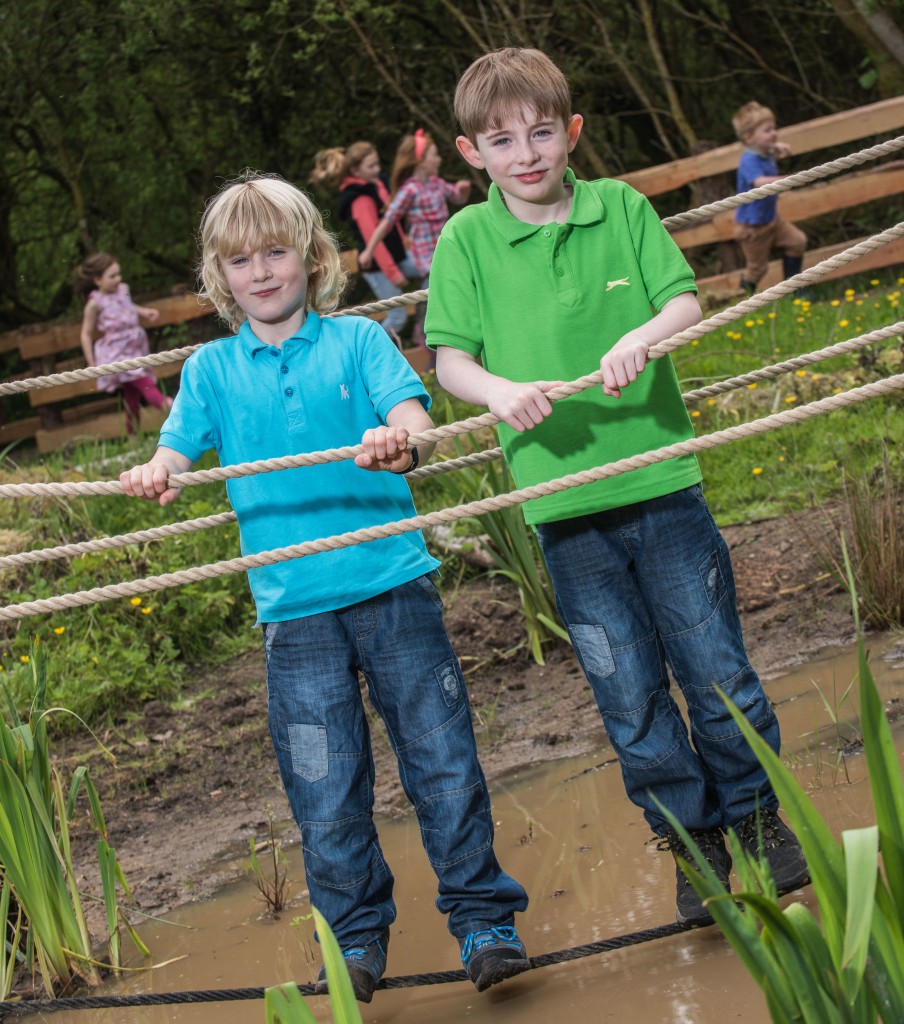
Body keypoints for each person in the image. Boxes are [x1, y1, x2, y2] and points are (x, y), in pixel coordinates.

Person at [119, 172, 529, 1000]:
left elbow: (416, 423)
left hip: (393, 588)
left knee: (443, 764)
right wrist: (158, 471)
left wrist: (398, 440)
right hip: (294, 616)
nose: (261, 272)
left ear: (311, 259)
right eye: (240, 261)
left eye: (276, 252)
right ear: (219, 278)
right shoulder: (209, 370)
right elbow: (177, 449)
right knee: (325, 791)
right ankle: (355, 944)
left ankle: (484, 921)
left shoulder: (360, 342)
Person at [426, 48, 809, 928]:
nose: (526, 153)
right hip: (565, 512)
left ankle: (758, 820)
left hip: (663, 485)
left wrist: (644, 333)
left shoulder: (622, 208)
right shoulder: (466, 241)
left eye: (542, 133)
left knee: (717, 671)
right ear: (471, 153)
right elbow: (450, 360)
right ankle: (694, 844)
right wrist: (498, 392)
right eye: (502, 140)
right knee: (629, 697)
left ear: (572, 133)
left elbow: (685, 305)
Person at [357, 130, 471, 357]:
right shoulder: (410, 189)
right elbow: (388, 220)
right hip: (425, 257)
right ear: (421, 160)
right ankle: (424, 335)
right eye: (434, 155)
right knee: (434, 297)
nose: (439, 159)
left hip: (445, 251)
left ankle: (430, 332)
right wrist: (369, 251)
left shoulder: (437, 184)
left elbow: (457, 198)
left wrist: (462, 190)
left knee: (453, 292)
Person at [309, 142, 419, 347]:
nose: (377, 170)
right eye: (371, 166)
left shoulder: (376, 185)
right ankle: (365, 350)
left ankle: (423, 327)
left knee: (430, 267)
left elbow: (391, 219)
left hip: (398, 257)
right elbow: (373, 241)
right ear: (355, 170)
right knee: (398, 318)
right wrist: (393, 273)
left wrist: (405, 241)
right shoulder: (360, 199)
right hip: (380, 268)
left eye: (378, 164)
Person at [75, 253, 172, 434]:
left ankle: (133, 437)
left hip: (134, 347)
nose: (118, 279)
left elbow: (128, 305)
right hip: (116, 353)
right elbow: (86, 334)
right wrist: (91, 362)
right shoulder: (94, 304)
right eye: (112, 276)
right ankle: (171, 409)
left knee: (131, 397)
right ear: (97, 280)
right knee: (145, 382)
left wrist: (144, 312)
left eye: (119, 274)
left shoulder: (123, 289)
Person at [732, 101, 807, 294]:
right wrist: (788, 180)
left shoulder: (764, 152)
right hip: (753, 227)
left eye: (774, 128)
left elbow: (767, 151)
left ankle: (794, 290)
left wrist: (776, 147)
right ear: (749, 138)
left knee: (797, 242)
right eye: (767, 131)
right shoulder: (748, 160)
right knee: (758, 269)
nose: (774, 133)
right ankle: (743, 298)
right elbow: (760, 182)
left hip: (772, 219)